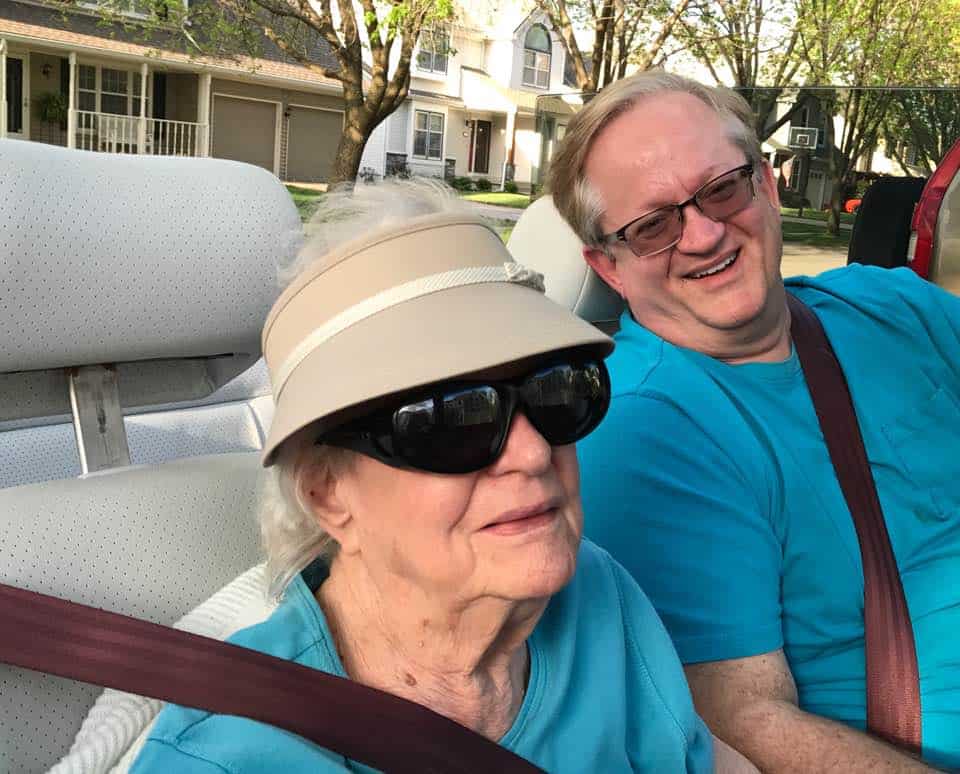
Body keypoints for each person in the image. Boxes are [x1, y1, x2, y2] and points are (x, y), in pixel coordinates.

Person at [128, 181, 733, 772]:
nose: (532, 453)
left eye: (558, 391)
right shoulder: (228, 755)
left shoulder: (599, 592)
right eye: (453, 419)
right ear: (329, 494)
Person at [548, 70, 960, 772]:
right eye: (653, 226)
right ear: (608, 266)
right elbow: (742, 722)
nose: (705, 235)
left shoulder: (891, 304)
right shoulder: (647, 432)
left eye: (721, 190)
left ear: (765, 185)